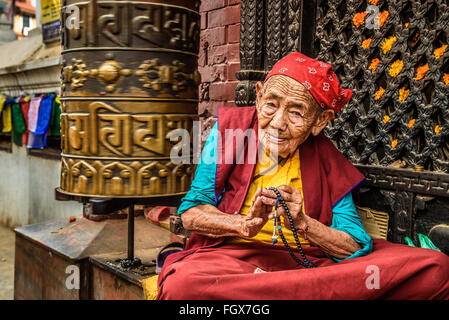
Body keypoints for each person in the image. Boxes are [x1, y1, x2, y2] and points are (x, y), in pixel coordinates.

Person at [146, 52, 449, 300]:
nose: (277, 123)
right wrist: (243, 224)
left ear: (320, 121)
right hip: (234, 259)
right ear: (258, 95)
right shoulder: (230, 132)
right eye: (271, 104)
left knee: (435, 267)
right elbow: (191, 212)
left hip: (309, 263)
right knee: (183, 285)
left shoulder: (324, 156)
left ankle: (274, 290)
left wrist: (305, 223)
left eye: (295, 113)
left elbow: (354, 245)